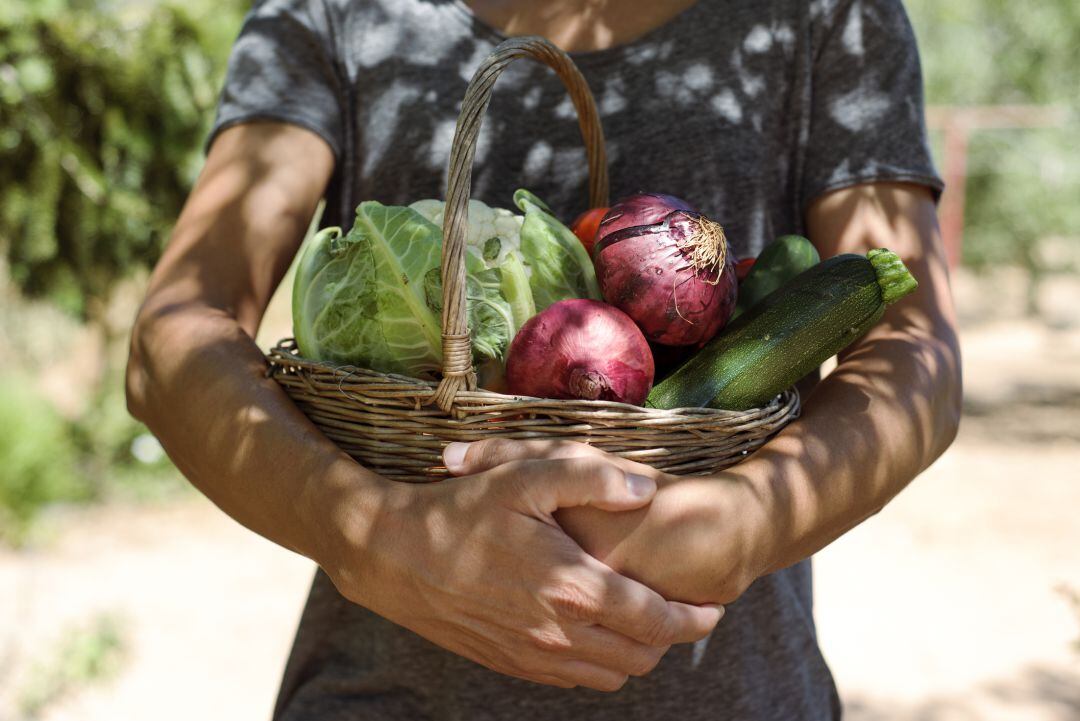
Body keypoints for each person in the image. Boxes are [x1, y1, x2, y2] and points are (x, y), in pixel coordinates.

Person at [125, 0, 962, 718]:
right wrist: (371, 537)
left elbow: (915, 348)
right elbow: (172, 336)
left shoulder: (825, 16)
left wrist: (744, 524)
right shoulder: (334, 13)